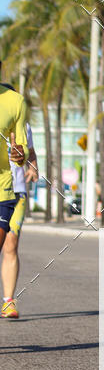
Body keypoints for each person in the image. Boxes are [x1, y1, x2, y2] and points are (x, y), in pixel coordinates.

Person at [1, 121, 37, 318]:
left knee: (11, 244)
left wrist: (33, 166)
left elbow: (31, 152)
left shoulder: (25, 126)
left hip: (17, 192)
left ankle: (8, 301)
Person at [0, 74, 28, 278]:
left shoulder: (17, 108)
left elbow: (27, 151)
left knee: (11, 244)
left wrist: (23, 156)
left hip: (9, 189)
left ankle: (8, 300)